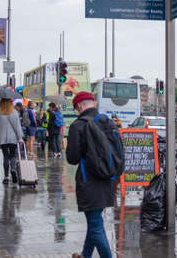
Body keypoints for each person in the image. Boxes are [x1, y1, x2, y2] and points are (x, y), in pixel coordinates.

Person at [67, 91, 113, 258]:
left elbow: (72, 158)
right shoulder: (107, 122)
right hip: (107, 179)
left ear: (79, 106)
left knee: (95, 224)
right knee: (95, 221)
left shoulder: (77, 125)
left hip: (89, 181)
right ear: (93, 103)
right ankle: (85, 255)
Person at [0, 98, 24, 184]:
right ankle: (13, 170)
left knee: (5, 157)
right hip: (13, 138)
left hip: (2, 138)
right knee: (12, 156)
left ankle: (6, 177)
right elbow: (17, 126)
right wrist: (20, 138)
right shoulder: (14, 112)